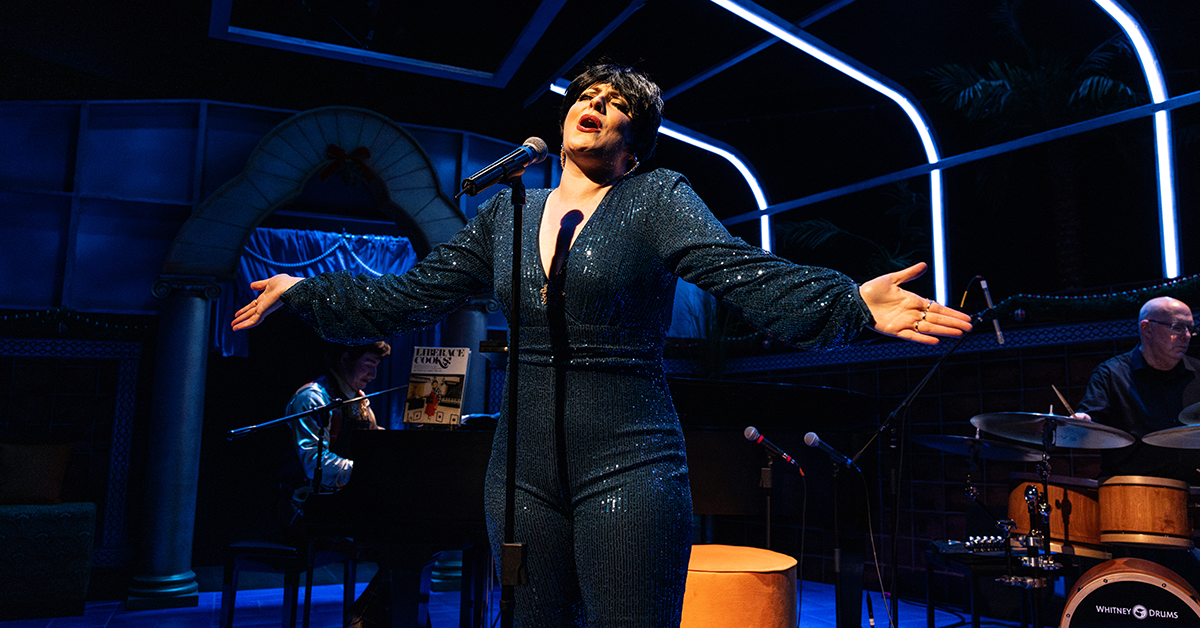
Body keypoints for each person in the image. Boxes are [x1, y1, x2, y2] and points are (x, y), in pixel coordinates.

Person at [234, 63, 972, 627]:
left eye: (617, 105)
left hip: (630, 463)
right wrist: (305, 293)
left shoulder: (656, 197)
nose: (594, 105)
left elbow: (733, 269)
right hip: (519, 473)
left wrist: (846, 301)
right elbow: (405, 297)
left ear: (635, 148)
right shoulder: (507, 215)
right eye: (586, 95)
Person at [1074, 296, 1200, 484]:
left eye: (1191, 329)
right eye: (1177, 327)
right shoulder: (1111, 374)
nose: (1187, 336)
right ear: (1147, 329)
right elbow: (1089, 422)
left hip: (1193, 487)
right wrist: (1083, 422)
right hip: (1132, 488)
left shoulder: (1198, 372)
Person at [285, 340, 391, 492]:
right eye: (369, 364)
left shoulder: (359, 399)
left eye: (376, 367)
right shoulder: (312, 398)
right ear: (345, 359)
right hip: (307, 502)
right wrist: (367, 471)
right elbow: (314, 462)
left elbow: (373, 440)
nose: (373, 375)